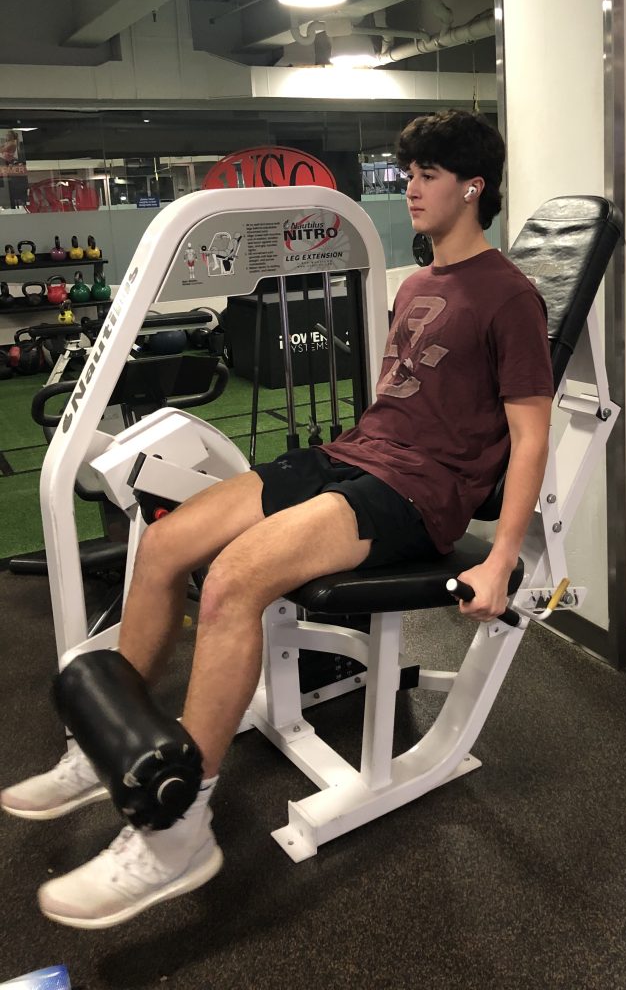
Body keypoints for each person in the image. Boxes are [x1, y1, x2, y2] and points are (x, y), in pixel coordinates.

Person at [1, 109, 554, 929]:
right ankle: (107, 747)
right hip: (357, 454)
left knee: (233, 581)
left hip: (418, 494)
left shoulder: (509, 294)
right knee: (166, 542)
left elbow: (530, 432)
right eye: (408, 172)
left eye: (425, 174)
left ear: (473, 186)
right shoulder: (420, 283)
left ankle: (177, 829)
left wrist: (502, 556)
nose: (409, 186)